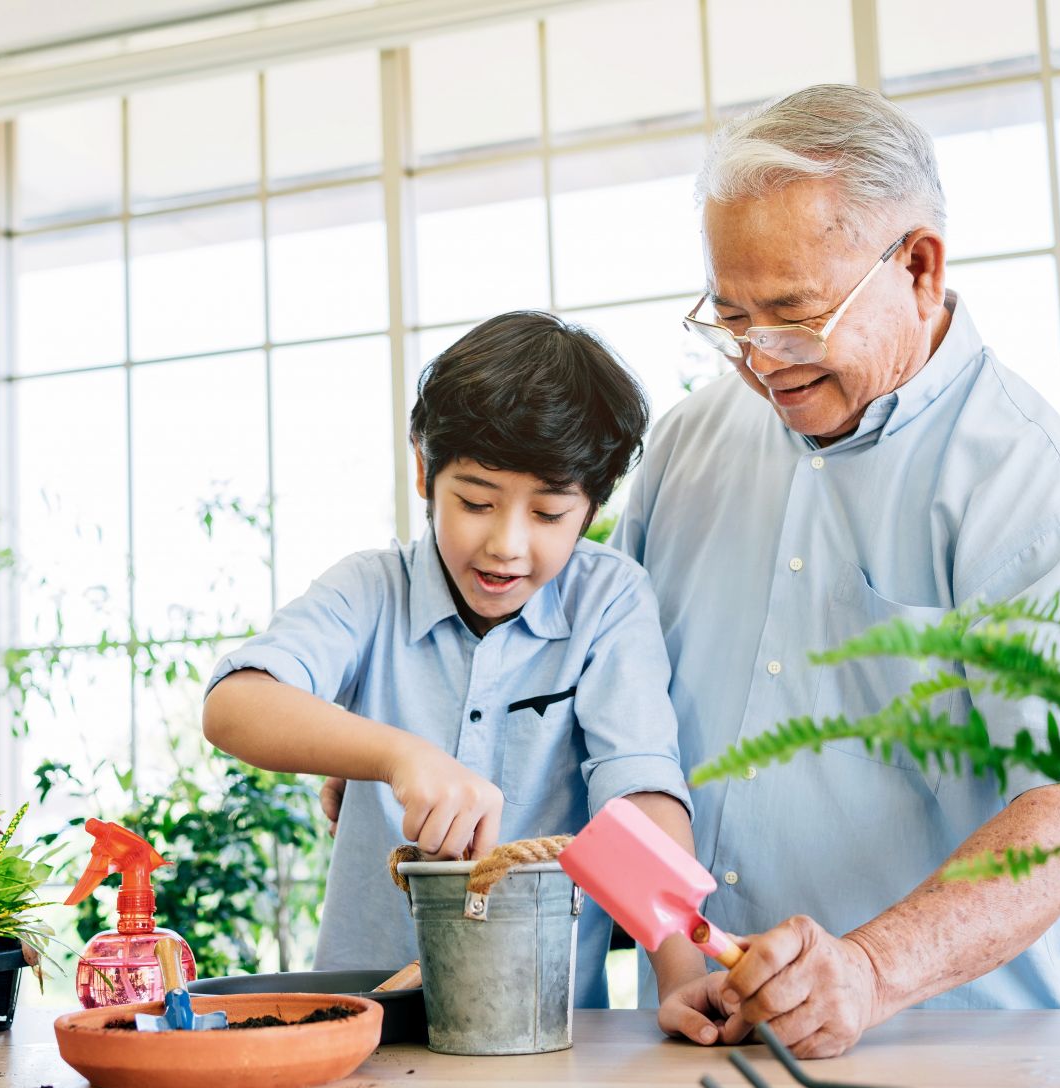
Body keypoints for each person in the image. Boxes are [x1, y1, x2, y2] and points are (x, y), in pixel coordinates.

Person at [615, 84, 1060, 1057]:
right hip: (708, 1047)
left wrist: (870, 966)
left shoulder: (1036, 491)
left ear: (920, 267)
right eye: (730, 319)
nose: (759, 358)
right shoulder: (688, 445)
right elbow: (618, 714)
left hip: (971, 1051)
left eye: (792, 314)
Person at [201, 311, 696, 1006]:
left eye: (549, 514)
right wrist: (397, 754)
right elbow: (234, 703)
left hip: (542, 1023)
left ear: (592, 506)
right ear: (422, 467)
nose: (506, 544)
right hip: (365, 1022)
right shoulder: (371, 590)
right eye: (475, 501)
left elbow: (638, 793)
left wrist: (682, 976)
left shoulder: (609, 601)